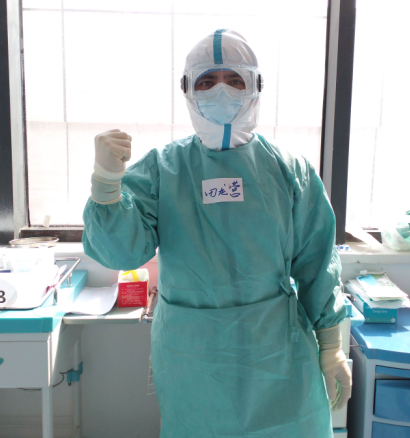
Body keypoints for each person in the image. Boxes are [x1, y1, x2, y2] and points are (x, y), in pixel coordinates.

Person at [83, 29, 351, 438]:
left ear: (256, 86)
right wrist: (106, 185)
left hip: (278, 354)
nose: (220, 91)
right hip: (194, 359)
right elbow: (122, 253)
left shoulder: (289, 170)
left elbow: (317, 263)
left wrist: (331, 346)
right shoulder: (162, 170)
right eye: (207, 81)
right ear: (187, 90)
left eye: (234, 80)